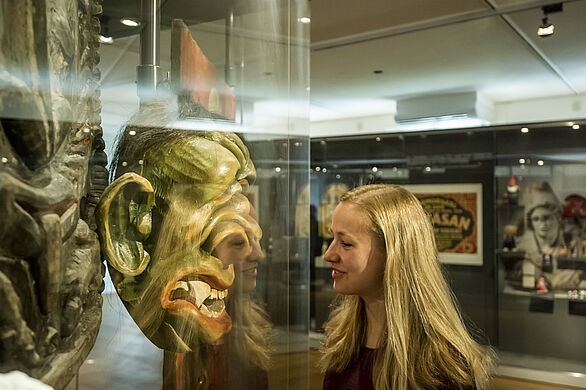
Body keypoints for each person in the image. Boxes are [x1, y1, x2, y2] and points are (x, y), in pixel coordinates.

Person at [319, 184, 494, 390]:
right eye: (332, 238)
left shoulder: (441, 364)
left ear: (393, 254)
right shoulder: (341, 332)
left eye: (346, 243)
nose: (329, 255)